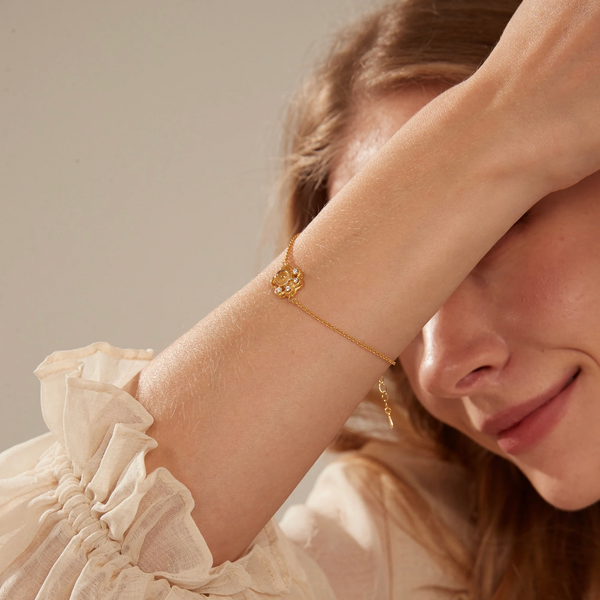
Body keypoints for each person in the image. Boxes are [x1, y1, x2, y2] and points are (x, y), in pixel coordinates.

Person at [2, 0, 600, 597]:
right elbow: (45, 577)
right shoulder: (410, 548)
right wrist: (503, 116)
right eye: (399, 308)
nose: (439, 368)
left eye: (493, 231)